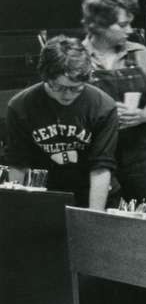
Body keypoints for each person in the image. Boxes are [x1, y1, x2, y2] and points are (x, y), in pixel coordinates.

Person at [5, 36, 118, 209]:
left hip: (92, 192)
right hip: (43, 194)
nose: (67, 95)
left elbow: (101, 169)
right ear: (45, 77)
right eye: (58, 87)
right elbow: (18, 165)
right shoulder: (20, 106)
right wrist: (16, 211)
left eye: (75, 88)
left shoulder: (103, 107)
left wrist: (94, 218)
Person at [80, 0, 146, 203]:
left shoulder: (140, 54)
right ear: (99, 25)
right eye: (122, 24)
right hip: (99, 152)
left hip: (142, 152)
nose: (129, 30)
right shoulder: (78, 59)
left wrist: (142, 115)